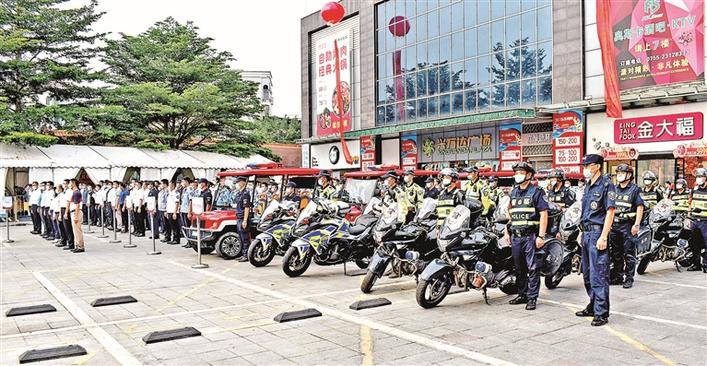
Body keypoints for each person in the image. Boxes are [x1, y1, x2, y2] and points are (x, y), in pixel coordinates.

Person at [576, 154, 616, 326]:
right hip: (586, 234)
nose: (586, 169)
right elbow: (585, 212)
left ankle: (601, 312)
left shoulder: (607, 185)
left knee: (598, 274)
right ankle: (592, 305)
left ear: (597, 166)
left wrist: (604, 236)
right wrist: (581, 231)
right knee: (587, 274)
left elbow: (610, 211)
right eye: (584, 166)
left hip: (598, 234)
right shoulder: (588, 185)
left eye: (588, 165)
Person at [505, 162, 548, 311]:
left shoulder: (537, 192)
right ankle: (522, 294)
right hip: (516, 236)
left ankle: (532, 298)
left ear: (529, 175)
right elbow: (510, 213)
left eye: (521, 172)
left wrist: (541, 236)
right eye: (516, 172)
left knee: (533, 268)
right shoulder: (514, 192)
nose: (518, 175)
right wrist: (506, 231)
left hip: (530, 236)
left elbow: (543, 214)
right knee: (519, 268)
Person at [608, 164, 645, 289]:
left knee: (629, 253)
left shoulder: (635, 189)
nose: (619, 175)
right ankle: (618, 277)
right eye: (618, 173)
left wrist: (637, 224)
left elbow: (640, 207)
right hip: (614, 225)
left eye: (622, 173)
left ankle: (629, 278)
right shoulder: (614, 189)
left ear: (629, 175)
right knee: (616, 253)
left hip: (628, 226)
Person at [688, 168, 707, 273]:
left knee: (706, 243)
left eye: (701, 177)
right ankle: (696, 264)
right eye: (698, 177)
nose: (699, 179)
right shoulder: (694, 189)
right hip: (695, 220)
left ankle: (706, 264)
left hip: (705, 221)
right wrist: (688, 217)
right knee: (694, 244)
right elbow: (690, 204)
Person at [233, 176, 252, 261]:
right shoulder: (239, 193)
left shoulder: (245, 194)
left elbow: (247, 208)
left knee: (245, 238)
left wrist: (245, 220)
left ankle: (246, 255)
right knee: (241, 237)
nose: (236, 185)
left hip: (243, 218)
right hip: (238, 217)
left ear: (242, 183)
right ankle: (242, 254)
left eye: (237, 183)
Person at [69, 179, 85, 253]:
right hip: (74, 212)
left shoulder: (76, 193)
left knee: (77, 230)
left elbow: (77, 205)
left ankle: (80, 246)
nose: (69, 184)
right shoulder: (74, 192)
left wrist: (75, 215)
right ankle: (77, 245)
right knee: (75, 230)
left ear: (74, 183)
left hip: (76, 212)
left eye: (70, 183)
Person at [179, 177, 194, 248]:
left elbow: (191, 201)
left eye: (183, 182)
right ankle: (188, 240)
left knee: (188, 227)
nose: (182, 183)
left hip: (187, 210)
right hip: (183, 209)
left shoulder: (190, 189)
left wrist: (189, 212)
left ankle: (191, 242)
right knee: (184, 227)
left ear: (186, 181)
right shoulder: (184, 189)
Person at [62, 179, 75, 250]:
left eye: (65, 184)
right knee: (65, 228)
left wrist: (66, 212)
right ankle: (69, 242)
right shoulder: (65, 191)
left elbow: (68, 202)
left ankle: (71, 244)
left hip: (67, 209)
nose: (64, 185)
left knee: (68, 228)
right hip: (64, 209)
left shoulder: (69, 191)